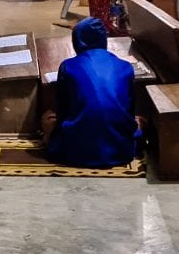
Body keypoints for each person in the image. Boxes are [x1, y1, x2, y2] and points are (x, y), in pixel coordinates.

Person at [41, 17, 142, 168]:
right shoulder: (125, 66)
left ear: (77, 41)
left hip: (74, 152)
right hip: (120, 152)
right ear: (103, 39)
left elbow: (62, 110)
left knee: (47, 118)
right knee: (140, 121)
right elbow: (130, 109)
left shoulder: (68, 66)